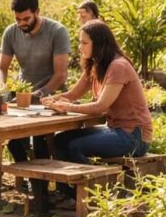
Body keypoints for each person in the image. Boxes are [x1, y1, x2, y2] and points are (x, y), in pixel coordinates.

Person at [44, 20, 152, 205]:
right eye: (79, 42)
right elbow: (73, 94)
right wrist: (50, 99)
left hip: (134, 136)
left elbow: (100, 106)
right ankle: (71, 194)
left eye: (84, 43)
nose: (80, 47)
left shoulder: (118, 66)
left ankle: (100, 193)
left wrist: (68, 107)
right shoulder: (95, 65)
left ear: (99, 43)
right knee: (60, 140)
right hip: (115, 130)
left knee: (73, 146)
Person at [0, 0, 71, 190]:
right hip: (23, 95)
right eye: (18, 19)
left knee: (41, 142)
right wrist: (0, 87)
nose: (21, 24)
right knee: (13, 142)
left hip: (51, 96)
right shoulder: (11, 32)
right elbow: (1, 68)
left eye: (26, 18)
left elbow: (61, 74)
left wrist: (39, 95)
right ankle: (31, 181)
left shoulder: (57, 31)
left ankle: (43, 189)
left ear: (37, 12)